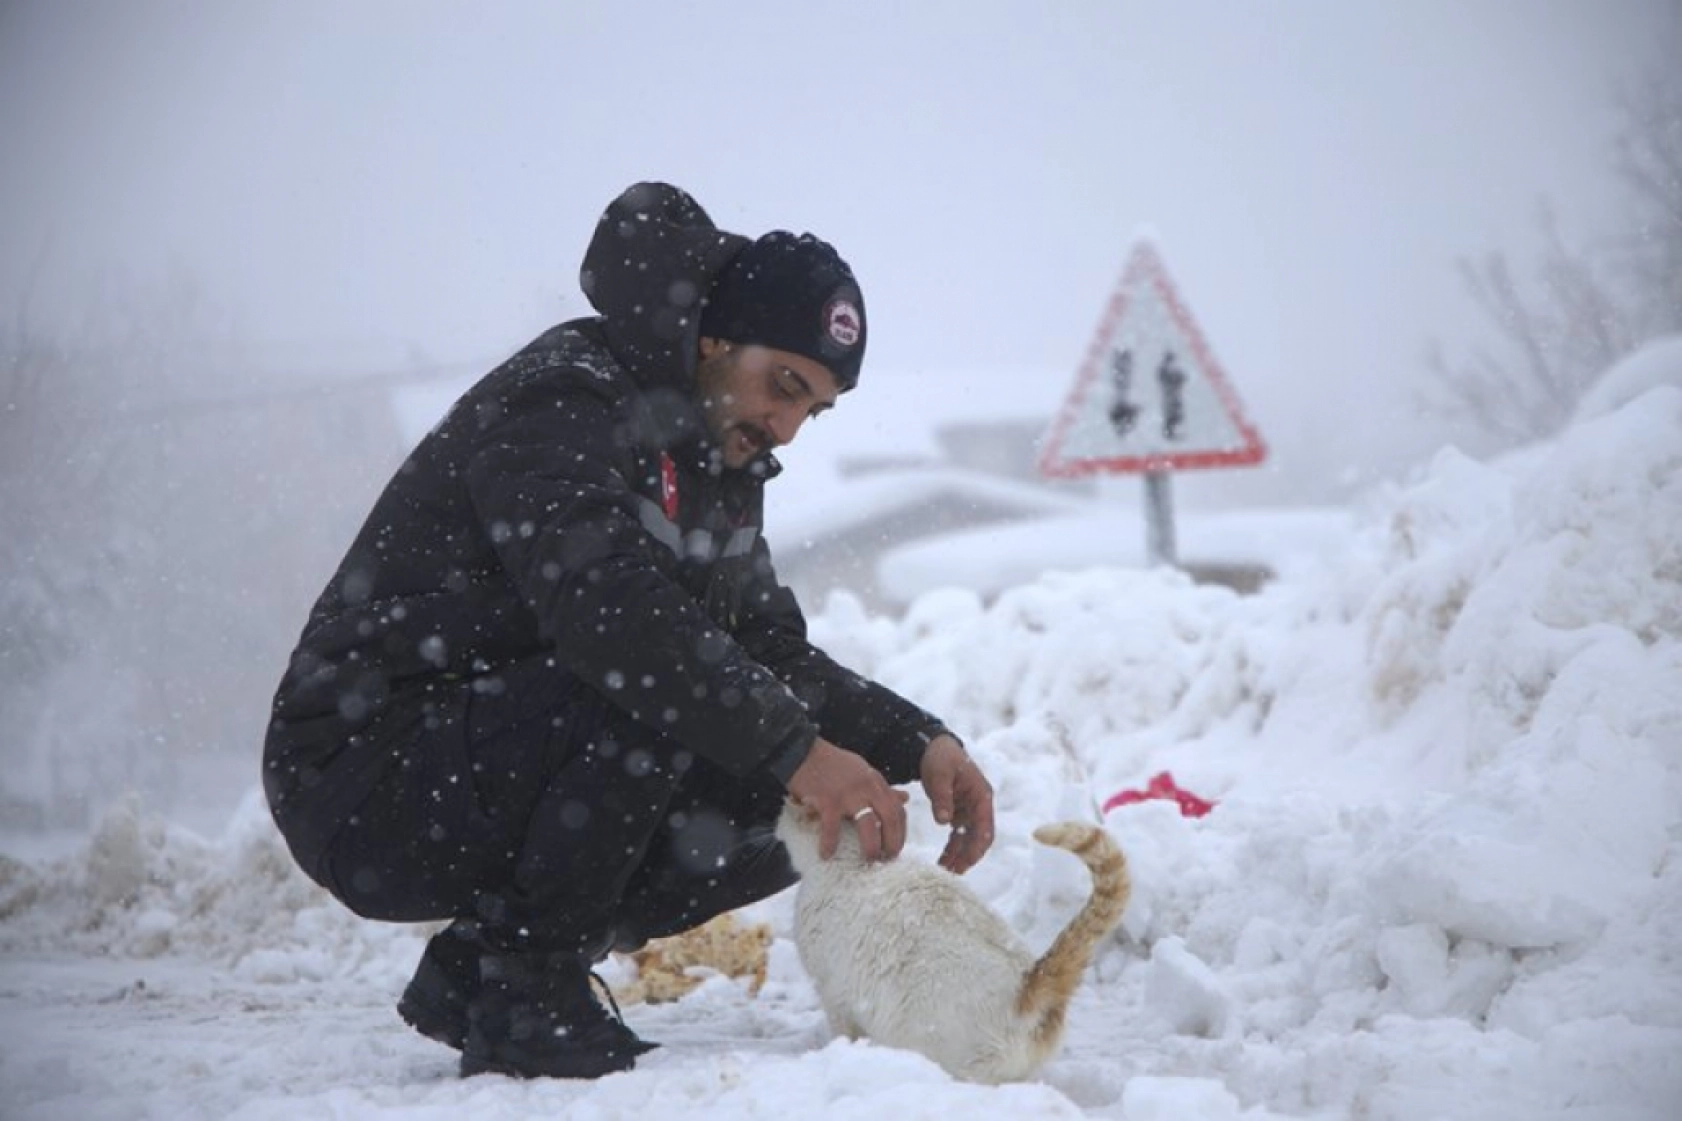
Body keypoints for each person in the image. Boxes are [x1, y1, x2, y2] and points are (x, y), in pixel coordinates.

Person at [262, 181, 996, 1081]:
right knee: (654, 674)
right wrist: (800, 748)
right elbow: (609, 617)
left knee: (799, 801)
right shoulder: (563, 399)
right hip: (363, 771)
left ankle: (487, 966)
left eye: (815, 408)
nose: (790, 426)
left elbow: (766, 651)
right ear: (716, 340)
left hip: (493, 748)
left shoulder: (719, 461)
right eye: (785, 385)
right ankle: (524, 989)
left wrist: (915, 741)